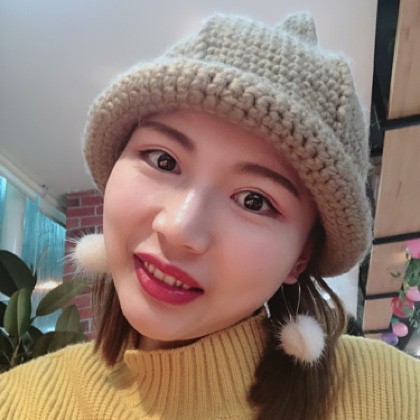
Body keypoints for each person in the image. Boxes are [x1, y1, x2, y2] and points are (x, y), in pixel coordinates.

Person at [1, 12, 419, 420]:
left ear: (300, 257)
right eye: (163, 160)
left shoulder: (394, 394)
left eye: (254, 201)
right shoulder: (16, 401)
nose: (179, 227)